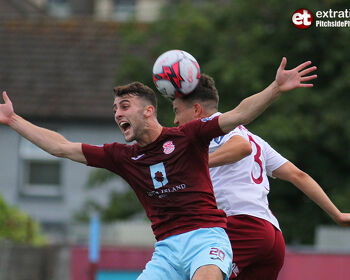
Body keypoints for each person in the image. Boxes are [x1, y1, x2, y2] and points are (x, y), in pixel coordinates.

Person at [0, 57, 316, 280]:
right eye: (114, 109)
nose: (117, 114)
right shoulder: (121, 156)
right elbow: (60, 146)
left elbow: (237, 114)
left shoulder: (188, 137)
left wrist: (274, 89)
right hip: (166, 251)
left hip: (208, 240)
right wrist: (14, 120)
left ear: (149, 111)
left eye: (124, 107)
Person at [172, 72, 350, 280]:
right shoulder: (256, 139)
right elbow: (298, 175)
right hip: (270, 236)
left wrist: (196, 165)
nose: (175, 120)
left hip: (239, 226)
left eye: (176, 111)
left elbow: (241, 147)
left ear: (196, 110)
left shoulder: (213, 129)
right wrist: (337, 214)